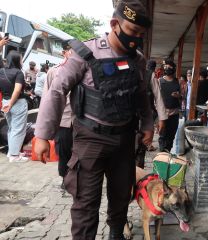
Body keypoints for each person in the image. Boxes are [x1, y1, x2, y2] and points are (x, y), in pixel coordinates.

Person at [34, 1, 154, 239]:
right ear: (114, 24)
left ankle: (116, 235)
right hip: (90, 140)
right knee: (86, 204)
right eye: (132, 31)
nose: (136, 38)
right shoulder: (85, 54)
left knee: (121, 198)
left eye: (141, 34)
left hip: (124, 141)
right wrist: (42, 136)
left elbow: (142, 95)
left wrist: (147, 125)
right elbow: (57, 91)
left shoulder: (138, 60)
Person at [42, 40, 73, 187]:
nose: (74, 55)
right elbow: (46, 101)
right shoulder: (53, 72)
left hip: (82, 122)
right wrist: (43, 132)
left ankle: (77, 178)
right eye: (70, 51)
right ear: (64, 53)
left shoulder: (86, 70)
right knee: (63, 152)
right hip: (63, 121)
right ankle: (65, 178)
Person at [0, 50, 28, 163]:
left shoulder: (1, 71)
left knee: (12, 128)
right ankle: (15, 156)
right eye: (21, 59)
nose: (22, 61)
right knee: (18, 129)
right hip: (17, 103)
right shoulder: (18, 73)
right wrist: (11, 104)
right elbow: (17, 90)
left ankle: (11, 152)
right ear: (17, 60)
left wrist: (6, 103)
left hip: (5, 102)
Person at [157, 59, 181, 152]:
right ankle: (162, 155)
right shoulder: (159, 81)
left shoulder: (178, 81)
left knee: (171, 137)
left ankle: (167, 154)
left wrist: (179, 96)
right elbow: (156, 98)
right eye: (165, 66)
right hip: (163, 114)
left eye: (169, 67)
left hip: (174, 113)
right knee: (162, 136)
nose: (167, 68)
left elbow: (183, 96)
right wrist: (158, 114)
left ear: (173, 68)